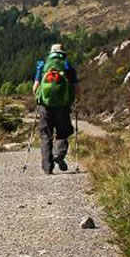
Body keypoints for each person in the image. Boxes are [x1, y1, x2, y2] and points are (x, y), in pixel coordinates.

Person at [33, 43, 80, 174]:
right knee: (63, 132)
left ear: (50, 52)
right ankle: (59, 154)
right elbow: (76, 87)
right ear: (62, 52)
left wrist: (38, 99)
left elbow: (35, 87)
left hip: (45, 106)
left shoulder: (42, 65)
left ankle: (47, 168)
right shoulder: (67, 65)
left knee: (45, 135)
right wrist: (77, 99)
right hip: (63, 106)